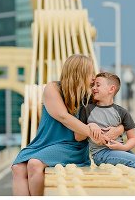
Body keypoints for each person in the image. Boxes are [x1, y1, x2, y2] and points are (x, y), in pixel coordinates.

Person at [12, 54, 122, 196]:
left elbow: (78, 136)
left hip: (71, 146)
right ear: (79, 73)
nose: (94, 78)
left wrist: (114, 128)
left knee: (34, 164)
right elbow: (63, 116)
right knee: (18, 168)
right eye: (90, 72)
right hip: (44, 142)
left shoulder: (89, 98)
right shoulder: (53, 88)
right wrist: (90, 129)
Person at [76, 71, 135, 179]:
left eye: (98, 85)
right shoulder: (87, 109)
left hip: (123, 151)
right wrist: (90, 127)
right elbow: (78, 136)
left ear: (111, 89)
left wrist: (123, 147)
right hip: (102, 153)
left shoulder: (122, 112)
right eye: (93, 85)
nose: (94, 87)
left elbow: (133, 138)